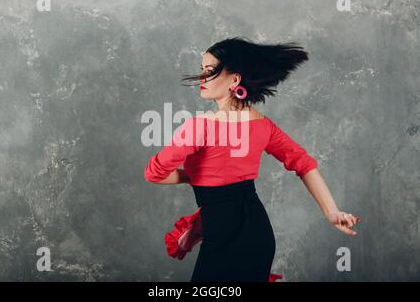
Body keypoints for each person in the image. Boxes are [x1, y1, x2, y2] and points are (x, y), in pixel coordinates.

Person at [143, 36, 361, 282]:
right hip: (258, 236)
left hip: (223, 238)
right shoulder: (263, 126)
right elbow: (303, 163)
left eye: (209, 71)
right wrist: (332, 212)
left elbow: (154, 173)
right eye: (201, 70)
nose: (202, 78)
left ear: (235, 79)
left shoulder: (199, 127)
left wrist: (194, 176)